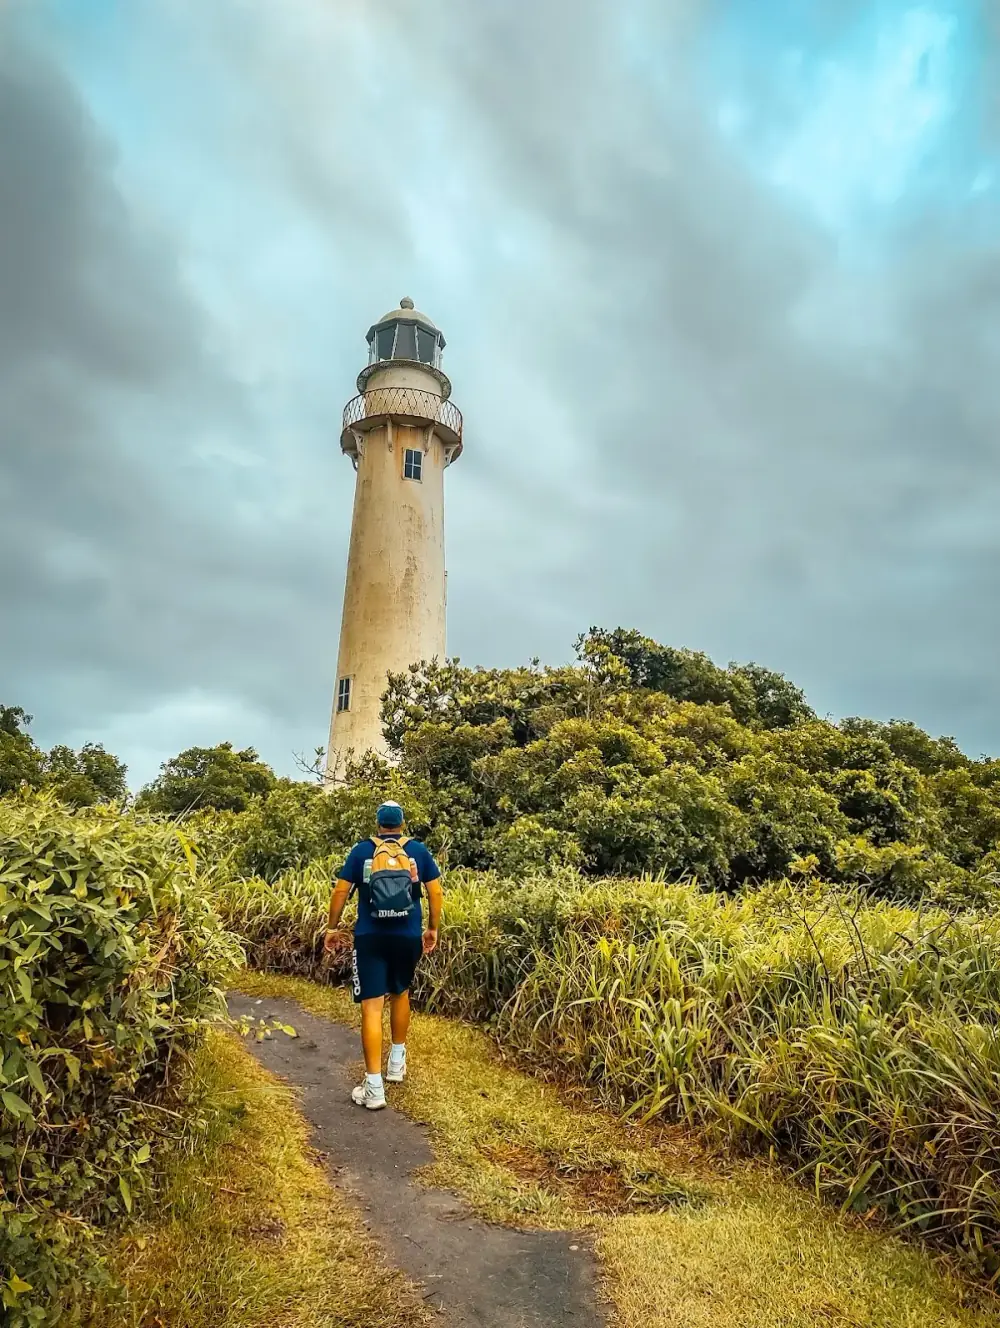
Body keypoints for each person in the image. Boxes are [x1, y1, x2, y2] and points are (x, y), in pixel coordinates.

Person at [324, 801, 443, 1110]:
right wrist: (431, 929)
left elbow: (340, 891)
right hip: (407, 936)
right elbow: (435, 892)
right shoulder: (418, 850)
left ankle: (374, 1087)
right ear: (401, 824)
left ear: (378, 824)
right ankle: (396, 1063)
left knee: (372, 1007)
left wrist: (332, 927)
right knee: (401, 992)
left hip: (370, 936)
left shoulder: (362, 850)